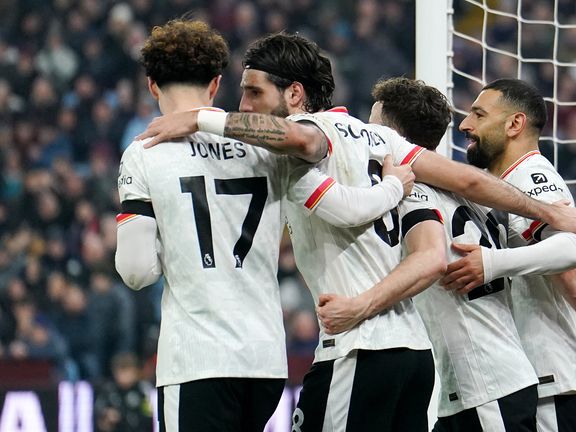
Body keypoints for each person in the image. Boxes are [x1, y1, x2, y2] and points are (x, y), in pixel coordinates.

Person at [136, 33, 576, 431]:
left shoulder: (305, 138)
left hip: (358, 347)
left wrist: (200, 118)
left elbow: (316, 160)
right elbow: (467, 181)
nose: (243, 107)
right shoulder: (384, 141)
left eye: (254, 93)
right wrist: (548, 211)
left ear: (295, 95)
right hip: (416, 355)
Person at [115, 21, 414, 432]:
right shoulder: (265, 146)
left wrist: (173, 239)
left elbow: (136, 271)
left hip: (197, 358)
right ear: (217, 83)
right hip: (265, 361)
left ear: (151, 86)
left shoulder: (144, 152)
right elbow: (342, 203)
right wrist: (394, 186)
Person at [316, 77, 576, 431]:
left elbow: (429, 260)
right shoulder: (475, 195)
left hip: (487, 383)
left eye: (372, 125)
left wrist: (359, 306)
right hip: (472, 383)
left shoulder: (411, 193)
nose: (364, 135)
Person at [446, 78, 576, 431]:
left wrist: (490, 264)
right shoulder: (498, 181)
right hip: (525, 375)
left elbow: (570, 251)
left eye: (478, 115)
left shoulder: (532, 174)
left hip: (547, 377)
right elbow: (564, 273)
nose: (465, 125)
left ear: (514, 124)